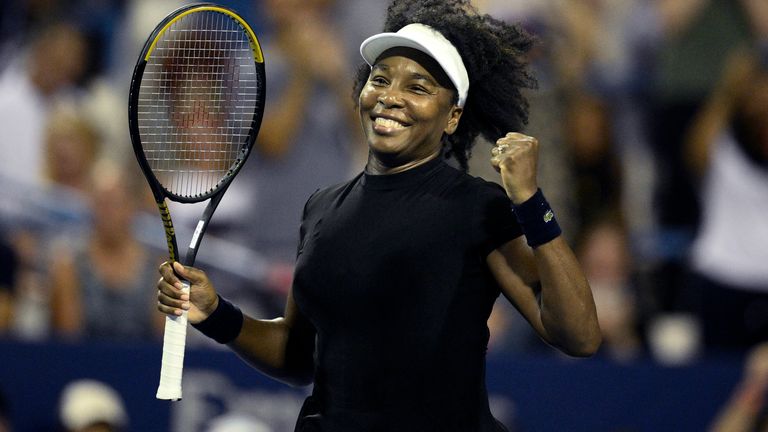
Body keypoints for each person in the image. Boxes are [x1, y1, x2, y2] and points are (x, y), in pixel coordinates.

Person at [156, 1, 601, 430]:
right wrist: (217, 314)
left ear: (452, 117)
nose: (390, 97)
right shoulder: (321, 208)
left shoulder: (476, 208)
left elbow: (578, 335)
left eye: (418, 87)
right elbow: (298, 356)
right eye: (380, 79)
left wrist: (531, 204)